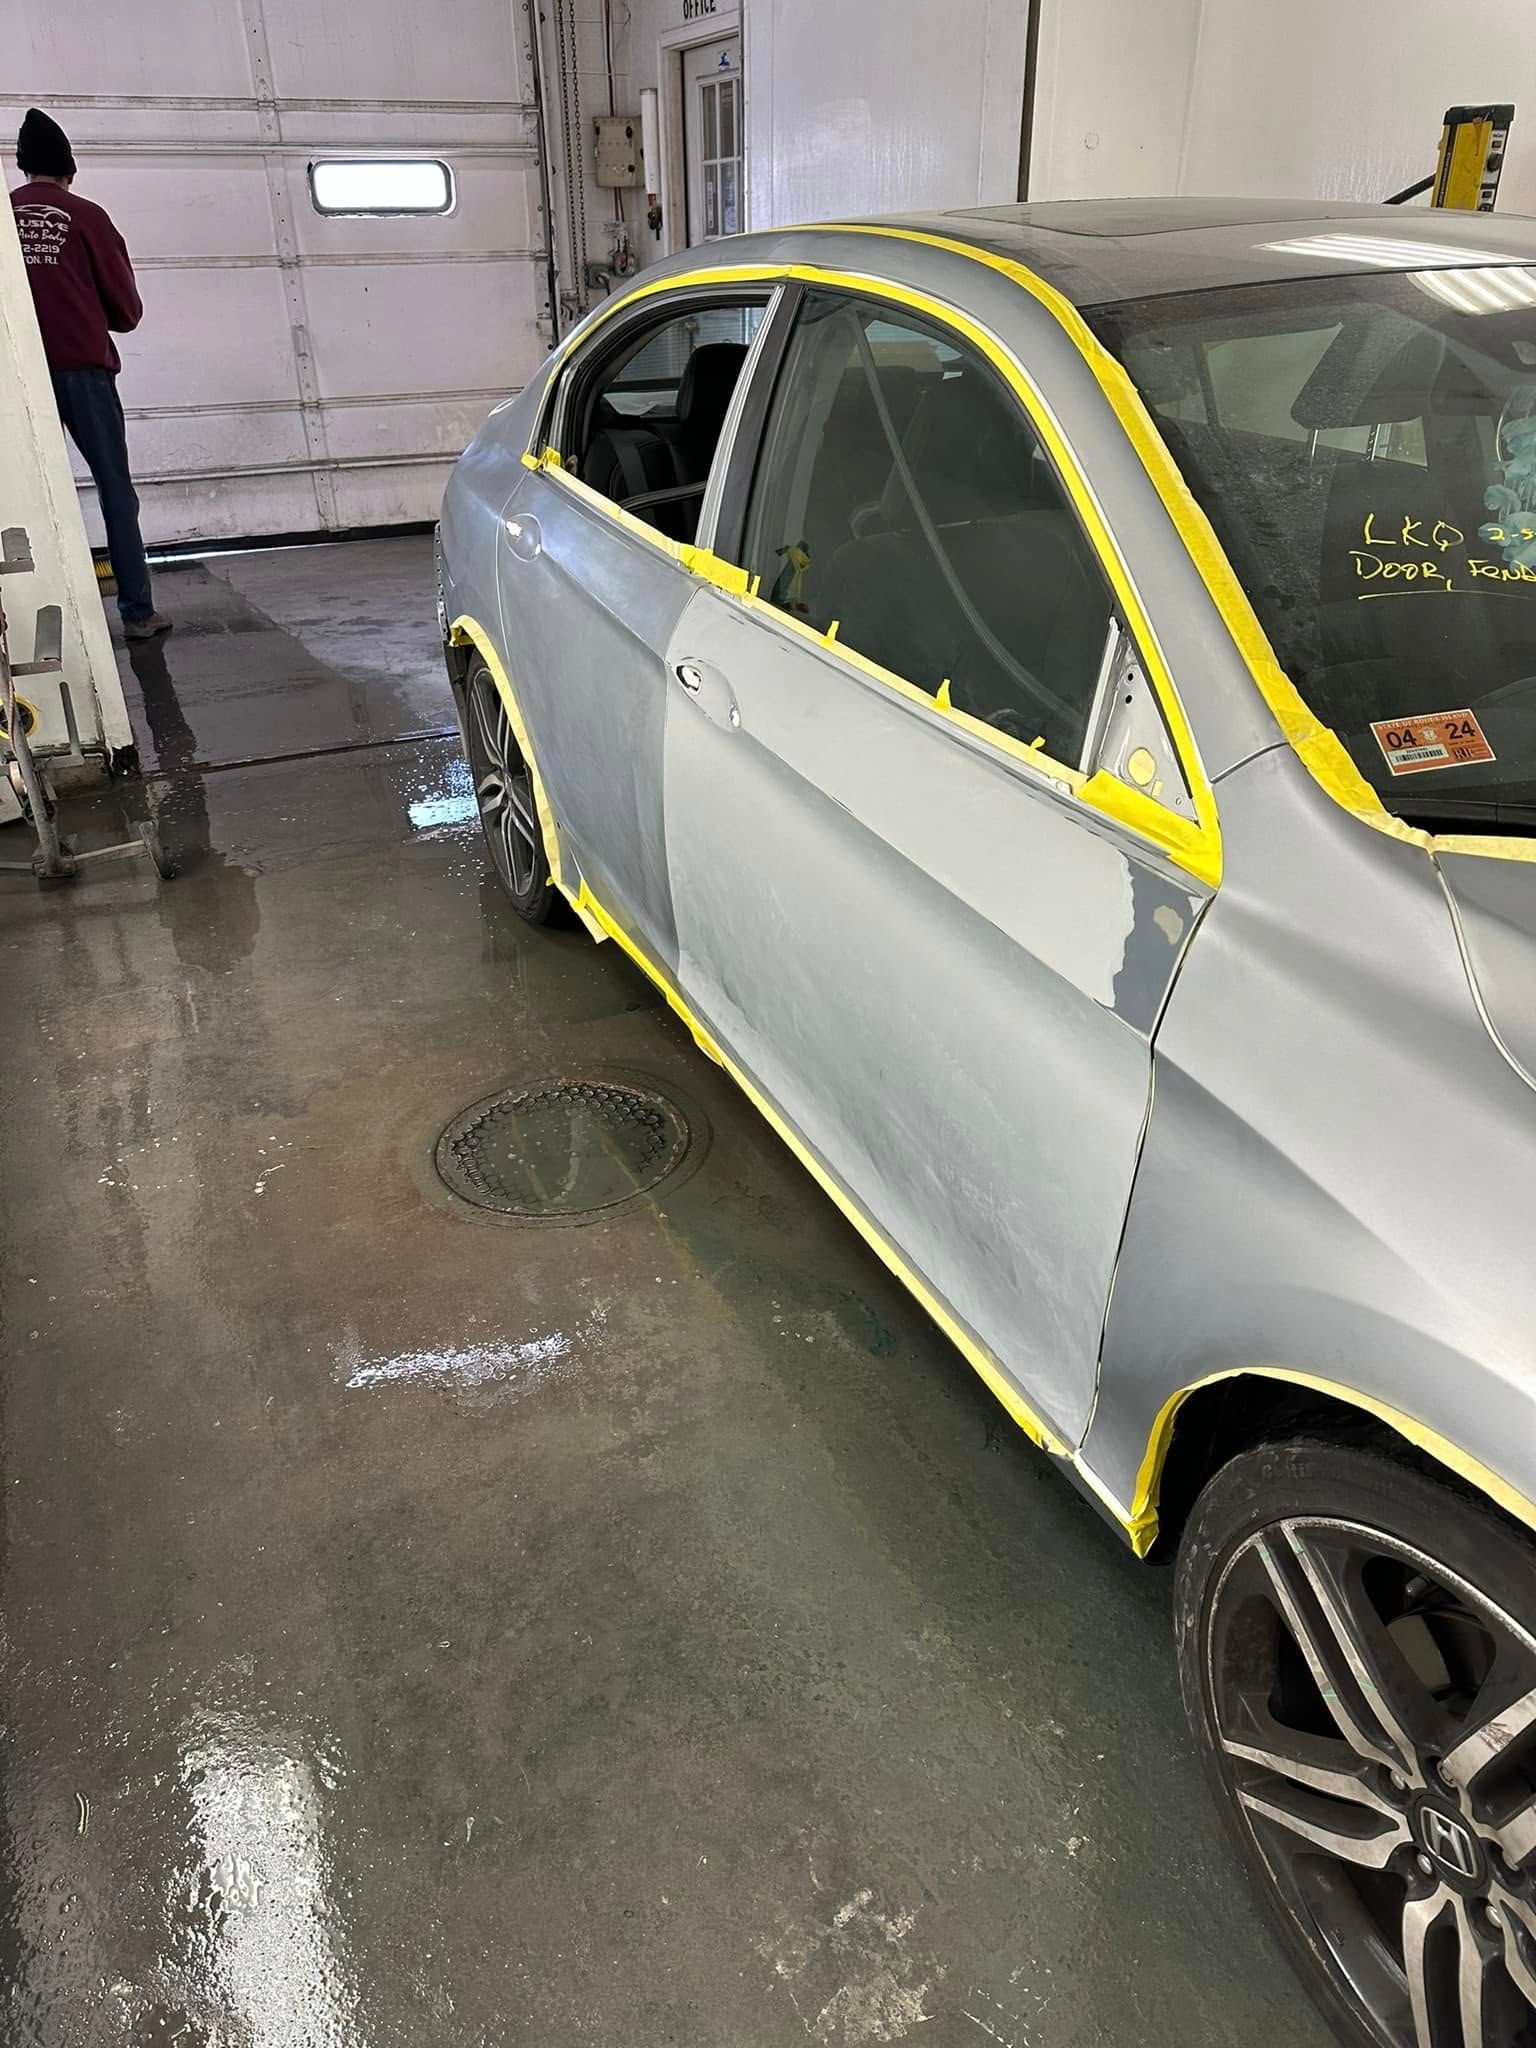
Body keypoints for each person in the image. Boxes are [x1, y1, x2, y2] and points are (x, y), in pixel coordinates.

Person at [10, 108, 170, 640]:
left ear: (23, 167)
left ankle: (43, 615)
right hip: (84, 373)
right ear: (69, 169)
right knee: (114, 491)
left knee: (29, 495)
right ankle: (137, 614)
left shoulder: (4, 217)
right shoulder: (88, 217)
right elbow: (126, 310)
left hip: (20, 379)